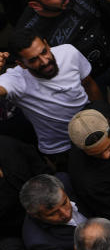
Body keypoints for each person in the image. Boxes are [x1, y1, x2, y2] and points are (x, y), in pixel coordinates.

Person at [0, 29, 100, 161]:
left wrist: (102, 112)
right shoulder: (15, 80)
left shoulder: (68, 52)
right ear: (21, 64)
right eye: (33, 60)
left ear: (47, 45)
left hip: (93, 126)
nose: (45, 61)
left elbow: (89, 84)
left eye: (44, 52)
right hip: (63, 147)